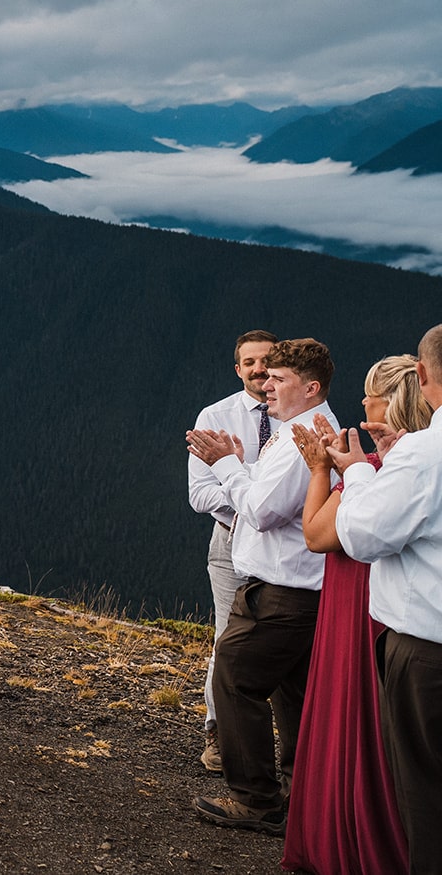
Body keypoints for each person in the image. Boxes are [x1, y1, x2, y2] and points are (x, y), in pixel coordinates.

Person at [185, 338, 337, 834]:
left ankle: (256, 800)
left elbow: (262, 510)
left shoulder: (304, 438)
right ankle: (299, 796)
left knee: (234, 681)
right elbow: (262, 492)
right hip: (293, 590)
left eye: (280, 378)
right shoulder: (297, 431)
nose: (266, 384)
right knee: (293, 695)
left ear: (310, 387)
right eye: (265, 375)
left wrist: (226, 466)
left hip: (282, 593)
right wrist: (239, 467)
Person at [283, 356, 424, 873]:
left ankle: (350, 837)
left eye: (370, 393)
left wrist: (324, 469)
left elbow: (318, 534)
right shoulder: (411, 464)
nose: (362, 403)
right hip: (390, 607)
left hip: (358, 601)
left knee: (355, 716)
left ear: (391, 402)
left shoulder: (377, 470)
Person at [332, 325, 442, 874]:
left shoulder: (423, 455)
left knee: (427, 800)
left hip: (428, 653)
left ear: (422, 377)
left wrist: (356, 475)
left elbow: (363, 536)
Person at [187, 329, 277, 773]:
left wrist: (240, 478)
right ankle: (219, 734)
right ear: (237, 368)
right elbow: (200, 495)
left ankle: (286, 739)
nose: (260, 369)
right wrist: (253, 502)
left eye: (267, 360)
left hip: (287, 545)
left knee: (288, 639)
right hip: (231, 539)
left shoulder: (296, 413)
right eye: (250, 362)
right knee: (228, 638)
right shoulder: (215, 416)